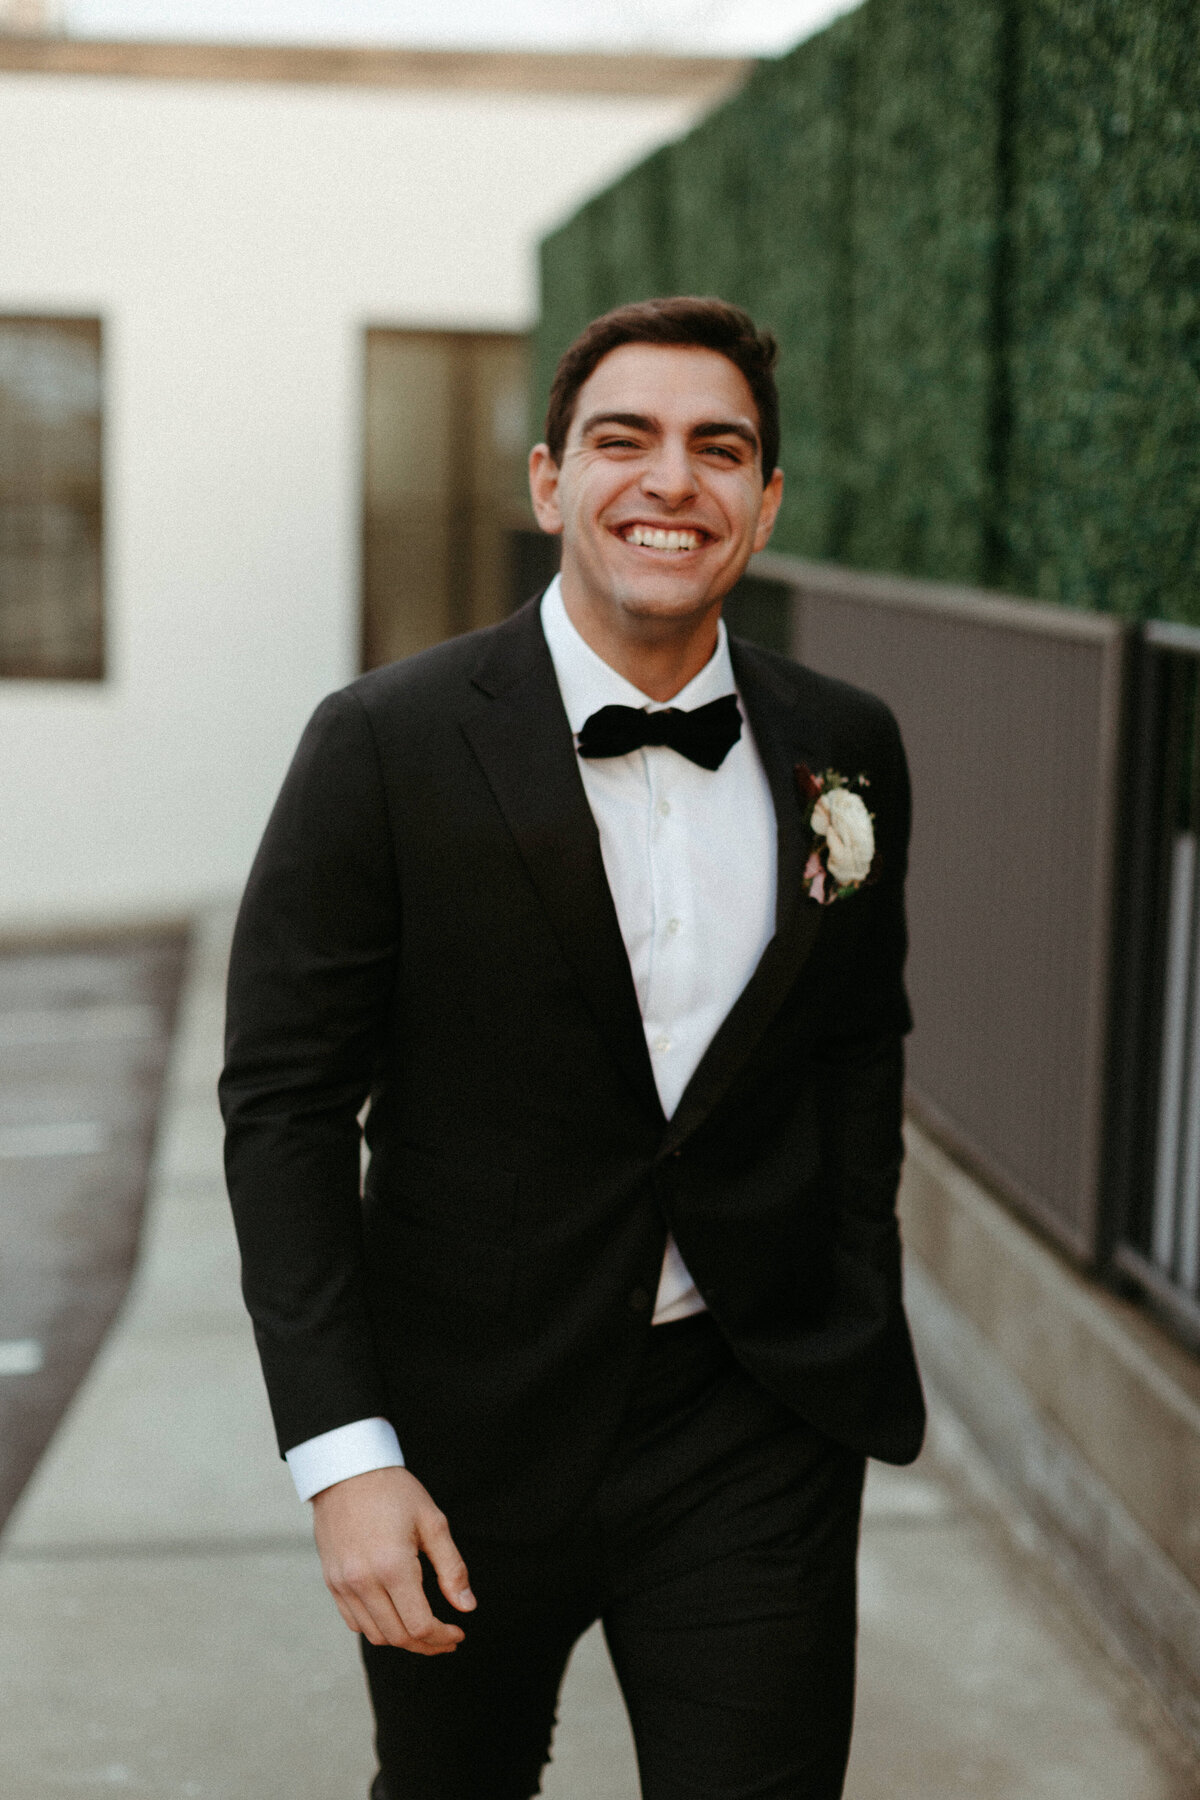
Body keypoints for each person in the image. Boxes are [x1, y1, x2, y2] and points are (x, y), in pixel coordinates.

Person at [220, 295, 924, 1800]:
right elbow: (283, 1108)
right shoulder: (382, 742)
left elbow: (861, 1046)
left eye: (718, 449)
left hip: (754, 1418)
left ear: (766, 498)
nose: (673, 481)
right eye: (627, 440)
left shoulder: (847, 743)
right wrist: (346, 1459)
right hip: (462, 1432)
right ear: (550, 483)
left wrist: (848, 1290)